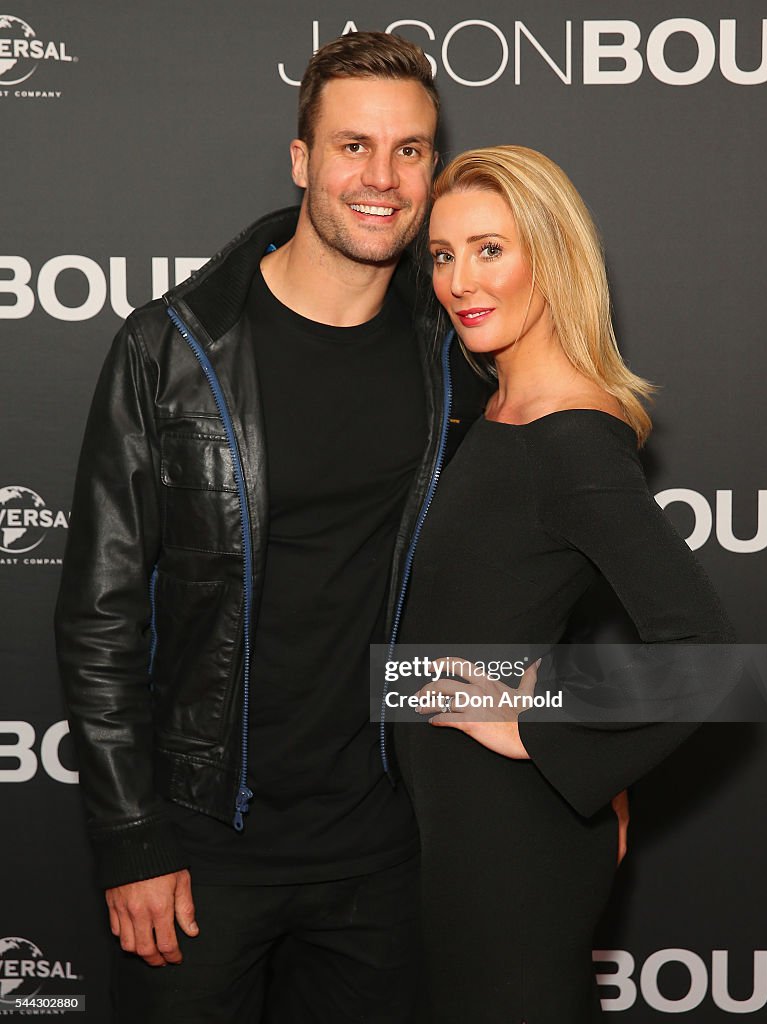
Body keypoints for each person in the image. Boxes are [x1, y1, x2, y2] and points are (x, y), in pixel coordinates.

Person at [53, 32, 488, 1024]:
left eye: (409, 150)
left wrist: (582, 754)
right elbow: (99, 615)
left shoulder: (455, 351)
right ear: (301, 160)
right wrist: (132, 837)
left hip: (383, 852)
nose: (380, 178)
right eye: (352, 147)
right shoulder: (169, 350)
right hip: (200, 855)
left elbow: (511, 580)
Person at [390, 146, 735, 1023]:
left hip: (511, 842)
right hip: (452, 828)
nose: (460, 279)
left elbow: (704, 656)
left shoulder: (571, 437)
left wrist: (542, 724)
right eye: (442, 253)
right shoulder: (496, 412)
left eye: (491, 249)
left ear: (552, 254)